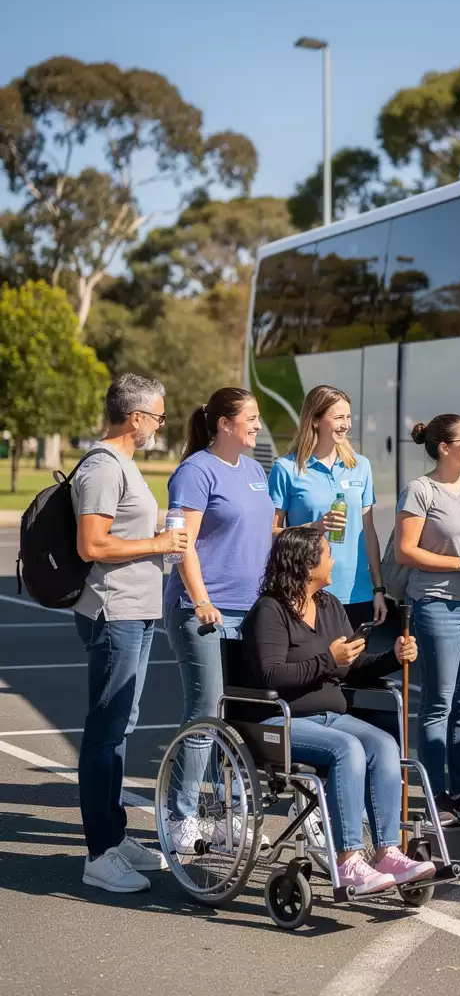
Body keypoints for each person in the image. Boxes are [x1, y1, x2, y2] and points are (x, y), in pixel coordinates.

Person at [244, 527, 435, 895]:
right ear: (305, 564)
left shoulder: (330, 605)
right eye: (328, 554)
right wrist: (326, 660)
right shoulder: (269, 611)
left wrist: (392, 658)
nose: (334, 560)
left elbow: (352, 666)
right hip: (281, 719)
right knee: (347, 749)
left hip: (331, 716)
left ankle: (388, 852)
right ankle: (347, 859)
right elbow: (270, 675)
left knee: (382, 744)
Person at [71, 373, 188, 894]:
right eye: (158, 417)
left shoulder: (124, 465)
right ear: (136, 417)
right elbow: (91, 546)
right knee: (105, 732)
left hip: (135, 611)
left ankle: (114, 838)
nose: (160, 425)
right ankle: (99, 853)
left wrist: (156, 543)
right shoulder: (101, 466)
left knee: (120, 727)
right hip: (112, 612)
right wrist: (158, 542)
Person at [163, 387, 275, 852]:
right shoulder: (194, 471)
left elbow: (263, 531)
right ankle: (180, 818)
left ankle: (231, 818)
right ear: (224, 423)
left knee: (241, 715)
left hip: (250, 611)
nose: (257, 424)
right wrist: (202, 598)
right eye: (250, 417)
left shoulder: (253, 469)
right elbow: (181, 542)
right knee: (206, 711)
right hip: (201, 611)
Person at [395, 414, 460, 827]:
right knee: (438, 703)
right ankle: (436, 797)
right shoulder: (420, 491)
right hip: (437, 605)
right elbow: (406, 551)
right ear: (444, 448)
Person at [269, 385, 387, 630]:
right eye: (338, 418)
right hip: (307, 589)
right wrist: (315, 527)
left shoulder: (361, 466)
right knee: (316, 667)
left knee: (356, 666)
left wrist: (378, 588)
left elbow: (369, 532)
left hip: (358, 591)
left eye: (348, 417)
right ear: (314, 421)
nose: (347, 425)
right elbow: (270, 531)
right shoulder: (286, 469)